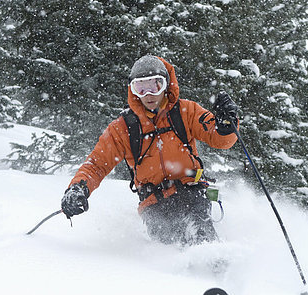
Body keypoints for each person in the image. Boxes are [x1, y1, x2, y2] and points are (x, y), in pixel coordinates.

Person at [61, 55, 238, 246]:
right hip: (153, 203)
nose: (148, 95)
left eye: (155, 86)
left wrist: (227, 125)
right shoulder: (123, 128)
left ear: (166, 85)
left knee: (199, 232)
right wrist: (78, 188)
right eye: (141, 88)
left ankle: (215, 264)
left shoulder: (186, 111)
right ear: (133, 90)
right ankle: (174, 273)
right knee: (168, 246)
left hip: (191, 191)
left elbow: (220, 140)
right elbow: (96, 164)